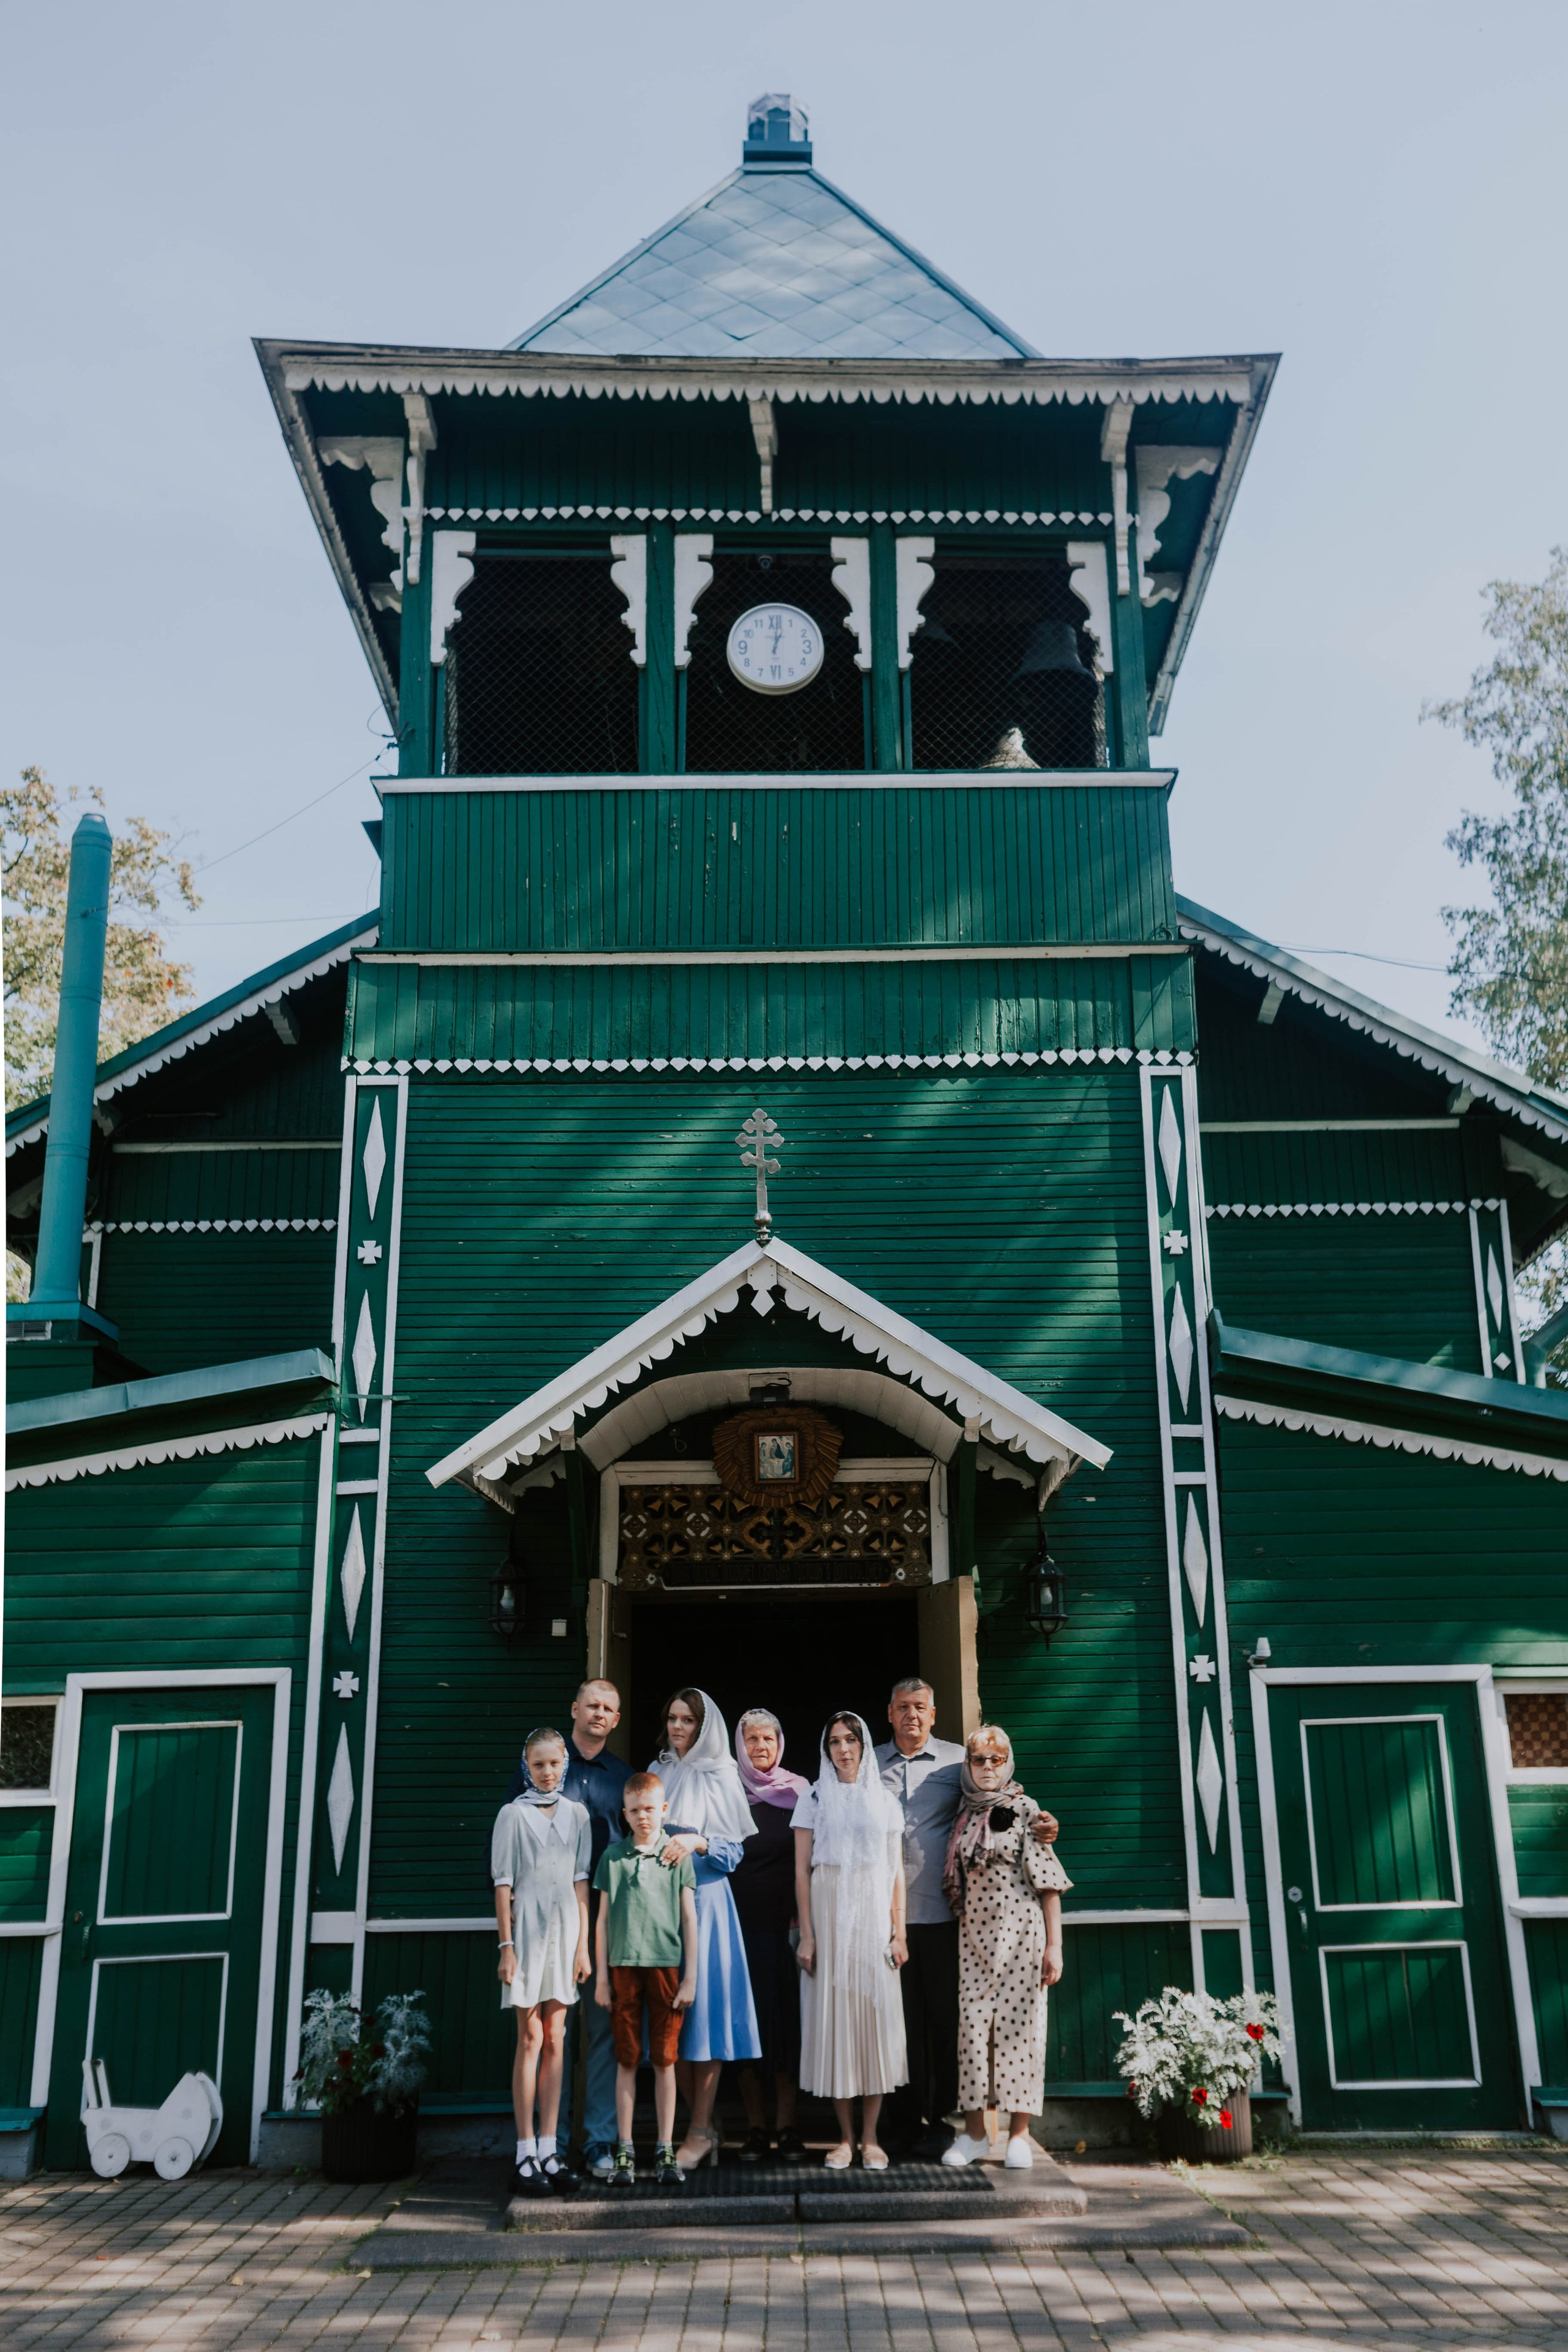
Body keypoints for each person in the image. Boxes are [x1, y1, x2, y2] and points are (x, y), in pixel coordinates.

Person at [875, 1676, 1060, 2158]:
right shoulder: (868, 1764)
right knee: (897, 2023)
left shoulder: (959, 1759)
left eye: (920, 1707)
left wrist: (1044, 1822)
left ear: (933, 1714)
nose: (911, 1715)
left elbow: (1002, 1797)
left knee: (944, 2023)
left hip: (945, 1920)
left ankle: (942, 2121)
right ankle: (900, 2123)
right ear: (889, 1713)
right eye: (902, 1707)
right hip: (883, 1919)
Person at [503, 1678, 631, 2179]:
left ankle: (598, 2142)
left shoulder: (622, 1777)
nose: (599, 1714)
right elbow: (506, 1855)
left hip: (599, 1920)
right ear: (575, 1708)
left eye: (609, 1709)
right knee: (545, 2034)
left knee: (600, 2031)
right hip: (540, 1926)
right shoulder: (542, 1767)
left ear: (616, 1720)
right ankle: (545, 2143)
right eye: (592, 1705)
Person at [938, 1725, 1070, 2171]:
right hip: (975, 1941)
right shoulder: (964, 1813)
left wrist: (1055, 1945)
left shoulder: (1025, 1809)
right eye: (980, 1760)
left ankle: (1019, 2134)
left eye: (997, 1759)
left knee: (1022, 2035)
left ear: (1008, 1761)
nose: (988, 1768)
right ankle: (975, 2134)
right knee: (973, 2036)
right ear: (969, 1766)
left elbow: (1048, 1884)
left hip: (1022, 1941)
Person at [792, 1710, 908, 2171]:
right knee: (836, 2025)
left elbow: (896, 1871)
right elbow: (802, 1870)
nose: (843, 1749)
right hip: (827, 1915)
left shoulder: (885, 1799)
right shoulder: (813, 1798)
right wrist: (807, 1935)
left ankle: (872, 2137)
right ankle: (843, 2138)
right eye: (835, 1742)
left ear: (863, 1746)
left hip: (873, 1918)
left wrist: (899, 1932)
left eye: (851, 1741)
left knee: (873, 2025)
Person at [650, 1687, 762, 2168]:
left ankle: (697, 2133)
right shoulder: (657, 1772)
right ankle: (705, 2126)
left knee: (707, 2020)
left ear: (704, 1726)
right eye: (672, 1718)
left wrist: (697, 1840)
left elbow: (734, 1854)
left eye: (687, 1721)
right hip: (662, 1908)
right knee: (677, 2020)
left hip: (710, 1903)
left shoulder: (721, 1775)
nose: (678, 1728)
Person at [491, 1727, 592, 2195]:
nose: (548, 1773)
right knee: (529, 2037)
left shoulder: (577, 1815)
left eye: (554, 1764)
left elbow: (580, 1885)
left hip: (565, 1935)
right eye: (538, 1765)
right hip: (527, 1936)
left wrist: (583, 1947)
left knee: (557, 2036)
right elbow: (504, 1885)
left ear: (564, 1765)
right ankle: (525, 2151)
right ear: (526, 1767)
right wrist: (506, 1948)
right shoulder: (512, 1815)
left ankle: (551, 2149)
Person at [592, 1770, 698, 2190]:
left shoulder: (675, 1857)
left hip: (666, 1967)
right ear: (625, 1814)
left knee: (666, 2059)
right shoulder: (612, 1858)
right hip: (623, 1968)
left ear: (664, 1811)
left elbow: (689, 1918)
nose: (644, 1817)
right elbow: (601, 1922)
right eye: (635, 1810)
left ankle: (666, 2147)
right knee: (627, 2059)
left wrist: (690, 1977)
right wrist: (602, 1978)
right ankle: (625, 2148)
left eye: (651, 1809)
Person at [729, 1708, 809, 2162]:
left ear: (780, 1743)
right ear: (740, 1745)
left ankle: (788, 2126)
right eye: (752, 1739)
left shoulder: (801, 1792)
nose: (761, 1747)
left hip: (791, 1930)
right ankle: (756, 2127)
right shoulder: (727, 1792)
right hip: (740, 1931)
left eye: (769, 1738)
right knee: (748, 2028)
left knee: (787, 2030)